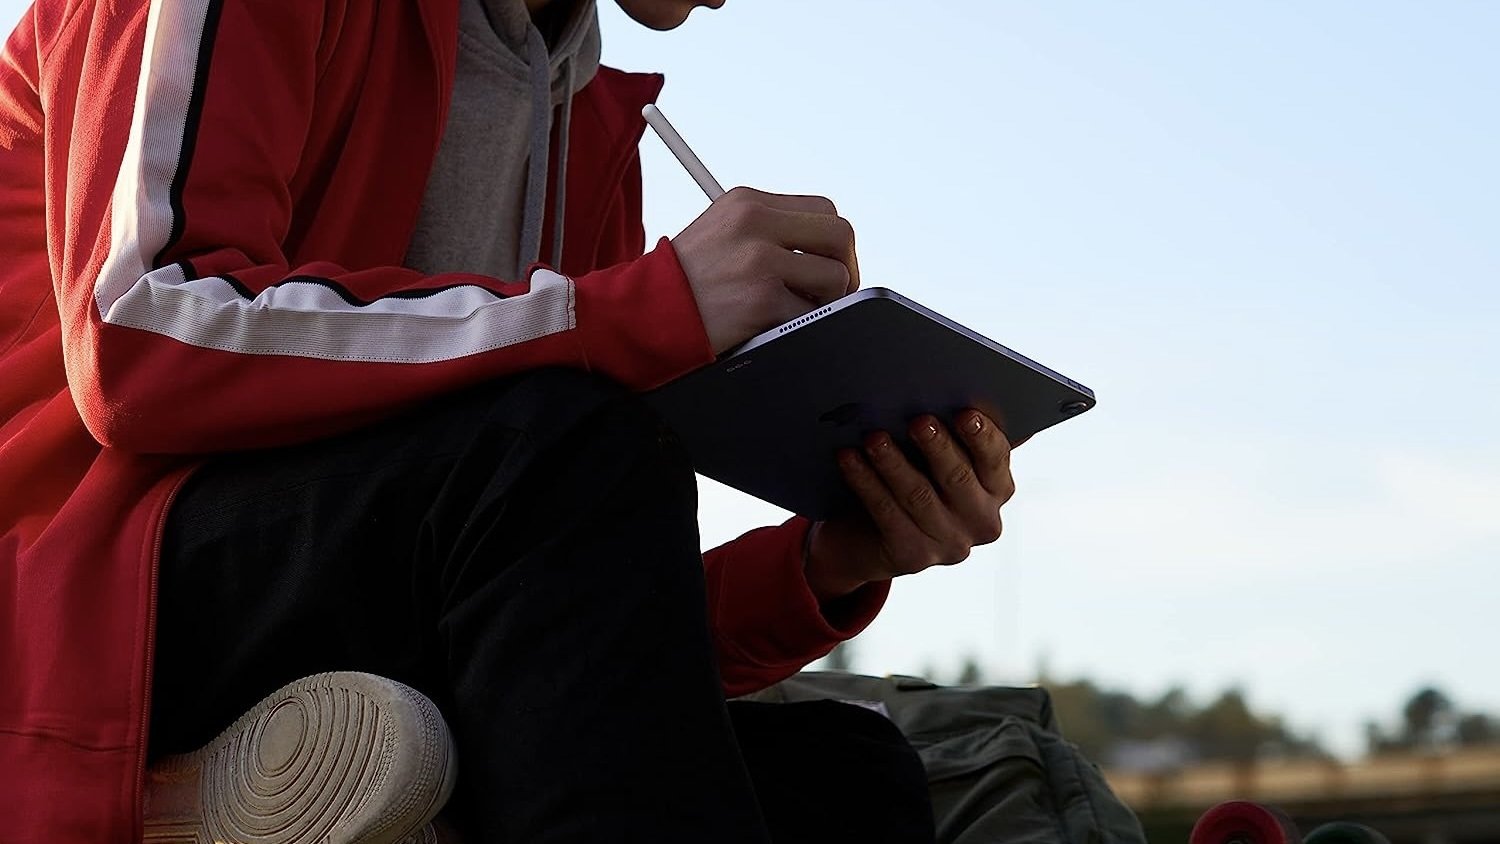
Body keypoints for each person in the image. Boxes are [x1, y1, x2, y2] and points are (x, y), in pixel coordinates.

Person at [0, 0, 1018, 840]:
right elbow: (138, 338)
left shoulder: (588, 119)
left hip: (344, 577)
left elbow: (575, 631)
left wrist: (821, 563)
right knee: (566, 441)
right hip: (84, 603)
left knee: (848, 781)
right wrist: (639, 310)